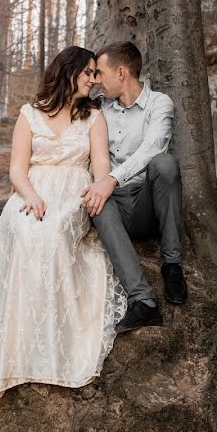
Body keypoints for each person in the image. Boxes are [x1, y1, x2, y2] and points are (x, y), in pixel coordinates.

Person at [0, 46, 127, 402]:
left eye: (95, 73)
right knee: (26, 233)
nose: (94, 79)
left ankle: (57, 353)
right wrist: (28, 195)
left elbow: (101, 165)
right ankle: (13, 357)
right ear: (68, 73)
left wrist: (97, 191)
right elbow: (17, 169)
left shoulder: (93, 117)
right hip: (33, 191)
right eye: (88, 72)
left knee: (56, 233)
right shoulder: (29, 114)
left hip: (74, 193)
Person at [81, 41, 187, 334]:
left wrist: (110, 180)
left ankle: (172, 265)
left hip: (147, 204)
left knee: (165, 164)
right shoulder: (100, 107)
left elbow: (153, 148)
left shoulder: (159, 103)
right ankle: (143, 302)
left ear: (121, 72)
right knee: (97, 204)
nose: (97, 80)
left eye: (100, 73)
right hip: (115, 206)